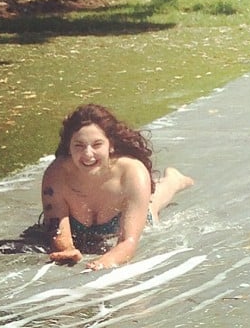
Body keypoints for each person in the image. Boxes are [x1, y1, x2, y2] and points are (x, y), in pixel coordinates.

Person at [41, 104, 193, 271]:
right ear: (69, 147)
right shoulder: (56, 175)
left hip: (131, 218)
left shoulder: (131, 173)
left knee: (153, 202)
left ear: (111, 145)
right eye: (79, 145)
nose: (87, 154)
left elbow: (129, 242)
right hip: (85, 232)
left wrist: (102, 263)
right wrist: (67, 251)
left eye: (97, 144)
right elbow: (58, 232)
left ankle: (174, 179)